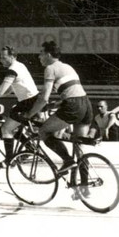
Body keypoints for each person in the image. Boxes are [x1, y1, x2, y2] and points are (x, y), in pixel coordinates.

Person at [25, 40, 93, 177]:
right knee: (79, 146)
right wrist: (54, 105)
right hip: (86, 104)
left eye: (41, 53)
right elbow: (72, 91)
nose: (39, 57)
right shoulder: (67, 66)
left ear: (48, 55)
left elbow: (44, 98)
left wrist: (30, 114)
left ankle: (67, 160)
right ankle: (83, 183)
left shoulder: (50, 68)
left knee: (44, 131)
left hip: (73, 105)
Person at [0, 45, 39, 169]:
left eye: (3, 57)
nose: (0, 60)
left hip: (28, 102)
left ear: (12, 57)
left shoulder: (12, 70)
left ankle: (9, 160)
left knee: (6, 129)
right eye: (0, 57)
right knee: (13, 125)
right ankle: (30, 148)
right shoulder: (20, 65)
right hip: (31, 100)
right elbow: (8, 91)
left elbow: (1, 91)